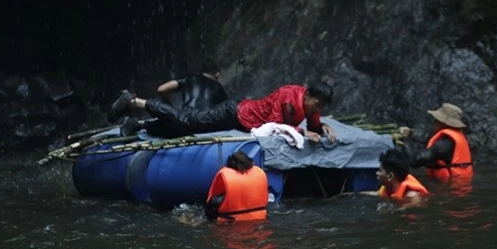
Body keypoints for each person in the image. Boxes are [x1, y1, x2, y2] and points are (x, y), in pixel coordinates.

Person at [108, 82, 337, 141]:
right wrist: (303, 132)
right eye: (317, 104)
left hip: (238, 123)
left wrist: (322, 127)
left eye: (321, 107)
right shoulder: (289, 97)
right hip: (234, 113)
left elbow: (314, 124)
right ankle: (134, 100)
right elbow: (276, 126)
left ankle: (137, 125)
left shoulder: (310, 104)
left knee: (181, 131)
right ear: (307, 96)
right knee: (186, 120)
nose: (318, 110)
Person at [405, 103, 474, 181]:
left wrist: (405, 139)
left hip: (447, 186)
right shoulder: (459, 137)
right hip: (460, 183)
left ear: (444, 123)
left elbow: (415, 161)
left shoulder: (443, 146)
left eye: (437, 120)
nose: (434, 122)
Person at [204, 151, 269, 222]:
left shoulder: (218, 198)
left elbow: (210, 211)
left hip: (230, 223)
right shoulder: (259, 176)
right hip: (259, 219)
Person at [354, 148, 429, 207]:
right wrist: (352, 194)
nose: (377, 173)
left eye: (380, 171)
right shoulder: (388, 188)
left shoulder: (412, 197)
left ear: (390, 176)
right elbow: (377, 193)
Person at [155, 59, 228, 110]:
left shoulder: (188, 79)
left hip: (185, 119)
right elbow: (228, 108)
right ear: (217, 75)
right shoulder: (218, 86)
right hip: (206, 121)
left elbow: (161, 89)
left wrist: (170, 106)